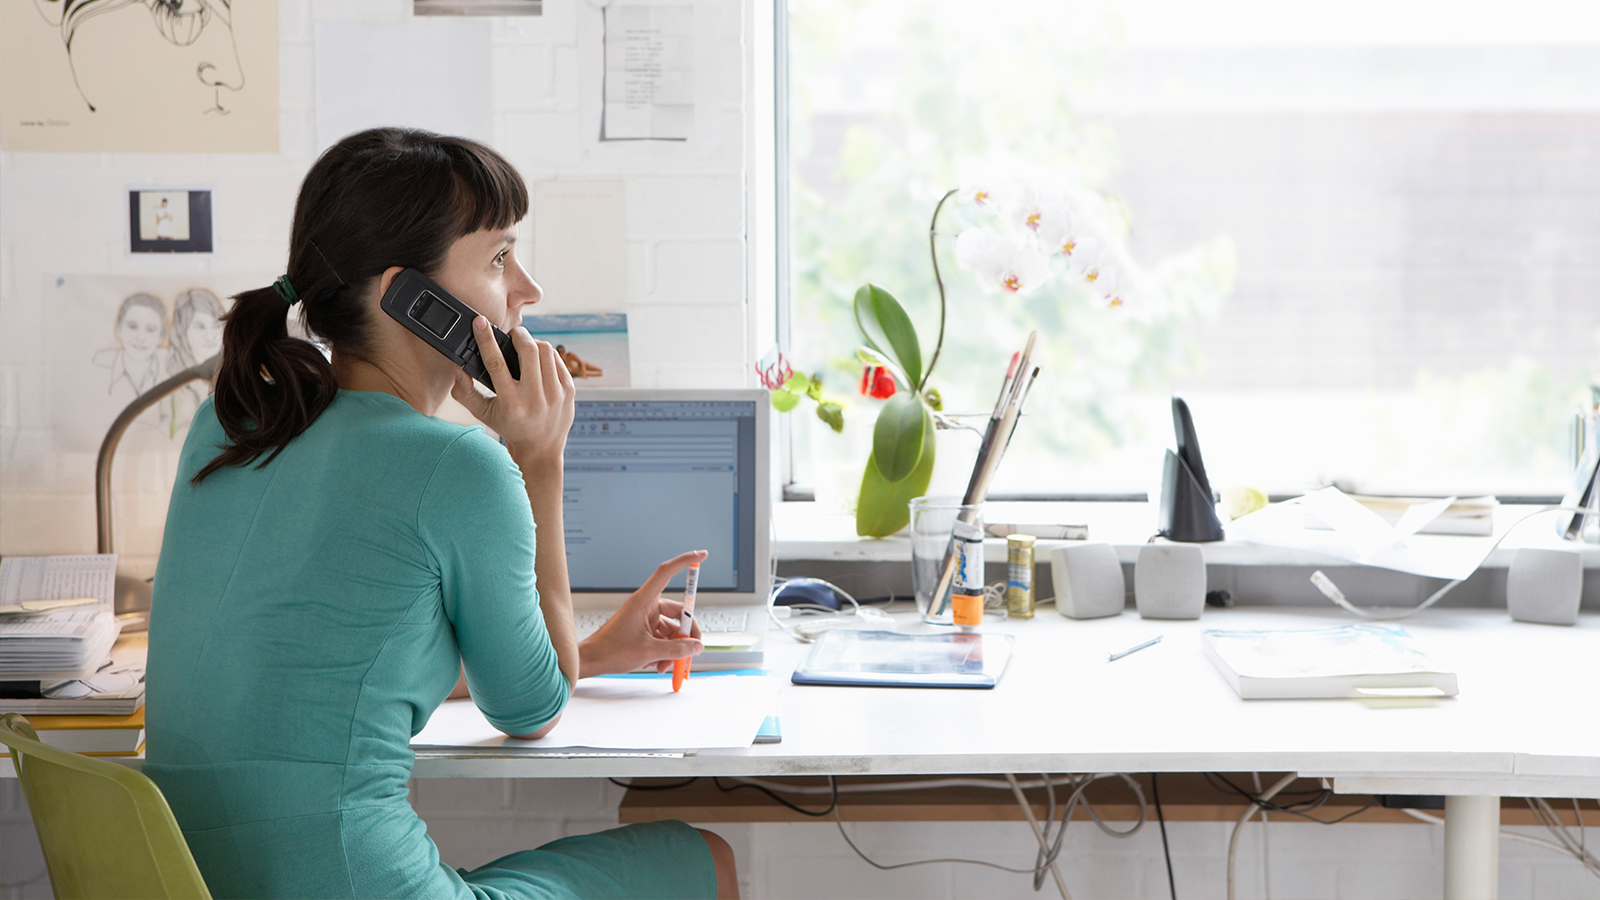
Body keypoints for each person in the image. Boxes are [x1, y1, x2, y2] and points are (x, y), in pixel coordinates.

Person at [144, 127, 738, 900]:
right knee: (704, 856)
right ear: (410, 299)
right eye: (499, 258)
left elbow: (331, 675)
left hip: (186, 884)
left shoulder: (229, 425)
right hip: (355, 887)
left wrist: (586, 653)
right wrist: (538, 460)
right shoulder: (459, 466)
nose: (528, 289)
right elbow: (533, 709)